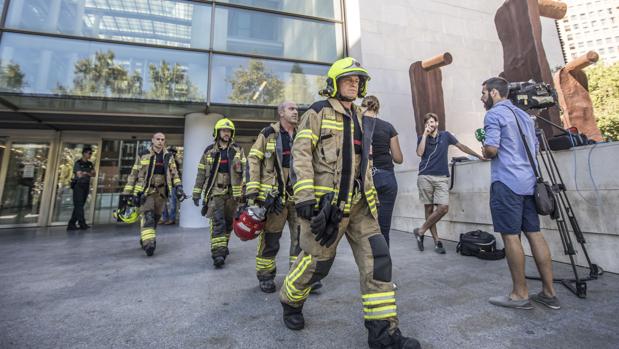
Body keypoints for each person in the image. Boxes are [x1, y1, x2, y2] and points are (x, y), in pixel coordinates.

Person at [279, 57, 420, 349]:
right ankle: (290, 300)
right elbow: (301, 154)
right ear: (334, 83)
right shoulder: (316, 113)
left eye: (358, 80)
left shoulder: (359, 116)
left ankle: (383, 335)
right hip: (325, 209)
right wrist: (305, 196)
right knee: (316, 265)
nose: (354, 84)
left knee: (378, 262)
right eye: (348, 79)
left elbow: (361, 163)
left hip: (360, 206)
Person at [480, 77, 560, 310]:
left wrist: (485, 150)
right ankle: (549, 292)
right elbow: (535, 149)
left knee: (510, 236)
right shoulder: (525, 116)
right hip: (529, 184)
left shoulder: (493, 115)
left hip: (506, 182)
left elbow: (492, 149)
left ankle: (519, 294)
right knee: (534, 234)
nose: (482, 97)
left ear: (495, 93)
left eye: (484, 93)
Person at [246, 101, 323, 293]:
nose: (296, 112)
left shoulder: (303, 133)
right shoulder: (268, 134)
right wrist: (255, 192)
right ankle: (265, 276)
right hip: (275, 199)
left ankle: (299, 279)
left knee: (302, 239)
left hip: (299, 197)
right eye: (291, 109)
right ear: (281, 113)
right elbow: (254, 159)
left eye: (297, 109)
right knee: (271, 239)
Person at [413, 113, 485, 254]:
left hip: (441, 178)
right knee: (429, 210)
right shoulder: (422, 138)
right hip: (425, 176)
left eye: (432, 121)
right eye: (428, 122)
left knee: (443, 208)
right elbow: (419, 153)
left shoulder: (446, 136)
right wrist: (424, 135)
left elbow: (461, 146)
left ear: (437, 123)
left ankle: (420, 231)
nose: (430, 124)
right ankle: (437, 242)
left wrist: (478, 155)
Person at [192, 118, 246, 268]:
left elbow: (246, 172)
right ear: (217, 132)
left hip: (233, 193)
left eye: (229, 131)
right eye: (223, 130)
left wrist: (246, 191)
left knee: (228, 223)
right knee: (218, 222)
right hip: (216, 192)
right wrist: (197, 193)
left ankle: (223, 246)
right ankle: (218, 254)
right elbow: (201, 173)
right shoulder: (209, 151)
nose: (226, 133)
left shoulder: (238, 150)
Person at [122, 132, 185, 257]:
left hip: (161, 193)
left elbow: (174, 174)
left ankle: (145, 238)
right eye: (158, 139)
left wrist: (178, 187)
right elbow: (133, 173)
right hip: (145, 192)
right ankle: (149, 244)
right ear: (152, 140)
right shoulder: (143, 154)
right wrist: (127, 192)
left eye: (162, 139)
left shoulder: (168, 156)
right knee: (148, 217)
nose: (160, 141)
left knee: (155, 219)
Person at [362, 95, 403, 246]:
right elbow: (398, 158)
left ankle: (368, 264)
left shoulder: (356, 125)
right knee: (383, 229)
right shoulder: (388, 127)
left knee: (365, 229)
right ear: (377, 109)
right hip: (386, 178)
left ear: (362, 106)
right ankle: (383, 266)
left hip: (365, 180)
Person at [67, 147, 95, 231]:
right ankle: (82, 223)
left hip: (86, 185)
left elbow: (94, 174)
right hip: (78, 185)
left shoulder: (90, 163)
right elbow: (79, 175)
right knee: (79, 204)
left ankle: (71, 224)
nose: (90, 155)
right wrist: (87, 173)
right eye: (89, 153)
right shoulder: (78, 163)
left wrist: (86, 173)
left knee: (80, 205)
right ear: (84, 153)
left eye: (91, 153)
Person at [161, 146, 180, 225]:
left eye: (173, 152)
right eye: (171, 152)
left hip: (172, 185)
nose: (172, 153)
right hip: (165, 185)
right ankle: (164, 218)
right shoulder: (165, 161)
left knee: (173, 203)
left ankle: (172, 219)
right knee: (163, 202)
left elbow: (175, 174)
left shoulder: (176, 163)